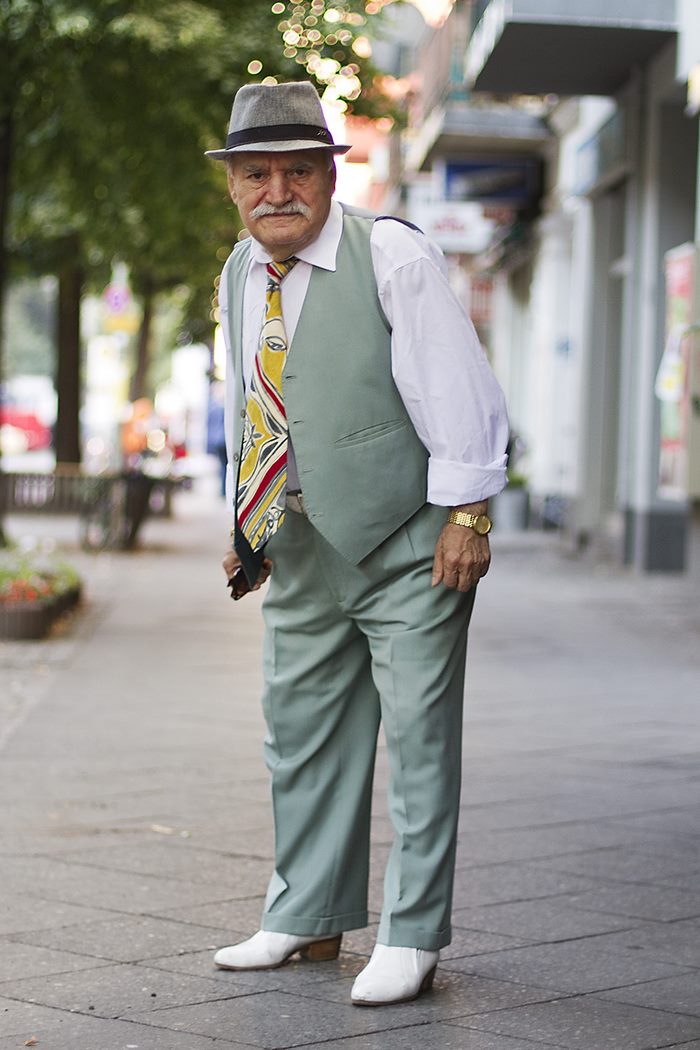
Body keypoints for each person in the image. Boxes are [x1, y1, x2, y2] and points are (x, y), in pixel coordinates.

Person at [206, 81, 509, 1007]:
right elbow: (256, 407)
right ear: (233, 186)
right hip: (298, 546)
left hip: (408, 542)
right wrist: (244, 527)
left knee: (419, 742)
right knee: (299, 740)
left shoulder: (391, 255)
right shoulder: (238, 271)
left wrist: (468, 515)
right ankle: (305, 916)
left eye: (298, 172)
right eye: (256, 175)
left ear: (330, 174)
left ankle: (412, 934)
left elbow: (459, 387)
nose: (276, 192)